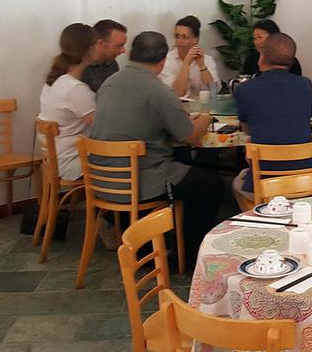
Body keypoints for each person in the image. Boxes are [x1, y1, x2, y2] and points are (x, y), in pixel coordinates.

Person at [90, 31, 222, 262]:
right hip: (141, 179)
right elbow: (189, 136)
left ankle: (140, 238)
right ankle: (189, 257)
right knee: (210, 185)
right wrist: (205, 117)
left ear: (131, 54)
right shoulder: (158, 91)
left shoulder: (109, 83)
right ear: (162, 62)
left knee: (186, 168)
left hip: (102, 178)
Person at [231, 33, 312, 201]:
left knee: (236, 184)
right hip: (303, 178)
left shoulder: (245, 89)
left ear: (262, 57)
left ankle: (256, 219)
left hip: (265, 181)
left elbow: (248, 129)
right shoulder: (305, 85)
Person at [38, 23, 97, 181]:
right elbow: (102, 128)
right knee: (128, 160)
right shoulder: (75, 89)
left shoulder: (57, 81)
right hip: (72, 163)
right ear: (90, 49)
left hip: (57, 159)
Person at [159, 15, 220, 98]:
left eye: (185, 37)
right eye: (177, 36)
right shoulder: (167, 60)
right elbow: (176, 94)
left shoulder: (207, 60)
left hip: (203, 108)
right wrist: (186, 64)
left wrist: (202, 66)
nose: (179, 41)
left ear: (195, 39)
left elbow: (214, 91)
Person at [81, 19, 127, 92]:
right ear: (101, 43)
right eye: (119, 46)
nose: (123, 51)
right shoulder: (79, 67)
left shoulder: (112, 65)